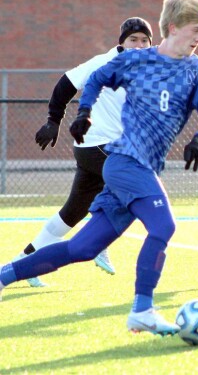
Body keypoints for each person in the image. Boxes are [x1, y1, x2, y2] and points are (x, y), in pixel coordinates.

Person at [0, 0, 198, 336]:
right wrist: (83, 112)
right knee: (164, 227)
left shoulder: (197, 70)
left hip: (138, 167)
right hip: (124, 162)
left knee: (83, 248)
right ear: (176, 26)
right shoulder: (136, 60)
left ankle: (4, 276)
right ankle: (143, 310)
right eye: (197, 30)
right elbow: (98, 77)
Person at [11, 17, 153, 288]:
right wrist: (53, 120)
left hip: (100, 150)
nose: (138, 45)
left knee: (72, 213)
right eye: (132, 39)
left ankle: (22, 263)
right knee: (135, 190)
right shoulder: (103, 62)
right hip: (97, 145)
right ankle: (100, 241)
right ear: (121, 43)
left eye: (144, 40)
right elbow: (65, 84)